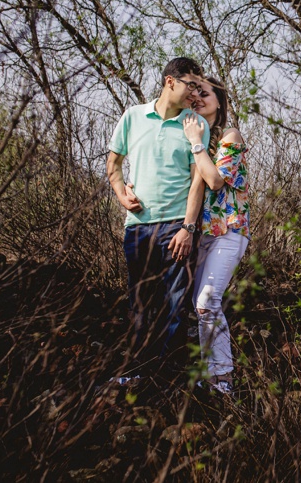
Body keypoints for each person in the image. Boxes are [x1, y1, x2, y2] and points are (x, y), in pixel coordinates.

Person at [106, 57, 211, 383]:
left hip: (176, 226)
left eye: (198, 86)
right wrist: (122, 194)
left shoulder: (196, 126)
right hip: (138, 227)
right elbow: (114, 165)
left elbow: (198, 182)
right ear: (170, 82)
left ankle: (167, 381)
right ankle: (136, 375)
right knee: (140, 303)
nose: (195, 92)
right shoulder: (133, 117)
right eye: (191, 85)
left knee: (175, 306)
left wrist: (187, 228)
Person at [182, 76, 250, 394]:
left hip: (230, 231)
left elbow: (215, 182)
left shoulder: (229, 137)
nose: (198, 99)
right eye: (194, 95)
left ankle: (223, 377)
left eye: (205, 94)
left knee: (208, 301)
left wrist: (196, 142)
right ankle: (210, 374)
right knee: (199, 305)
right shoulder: (201, 143)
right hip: (203, 236)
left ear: (219, 101)